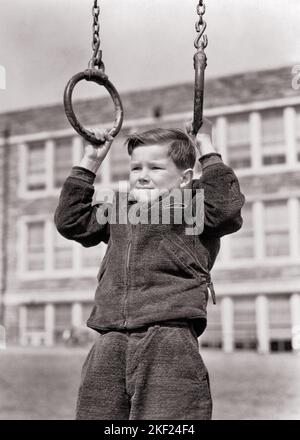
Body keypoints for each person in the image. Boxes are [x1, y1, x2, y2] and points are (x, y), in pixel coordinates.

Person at [54, 117, 245, 420]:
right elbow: (71, 222)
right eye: (135, 168)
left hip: (167, 339)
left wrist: (205, 144)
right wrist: (90, 159)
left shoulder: (194, 206)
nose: (142, 176)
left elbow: (225, 209)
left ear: (184, 177)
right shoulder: (119, 208)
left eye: (155, 168)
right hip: (109, 338)